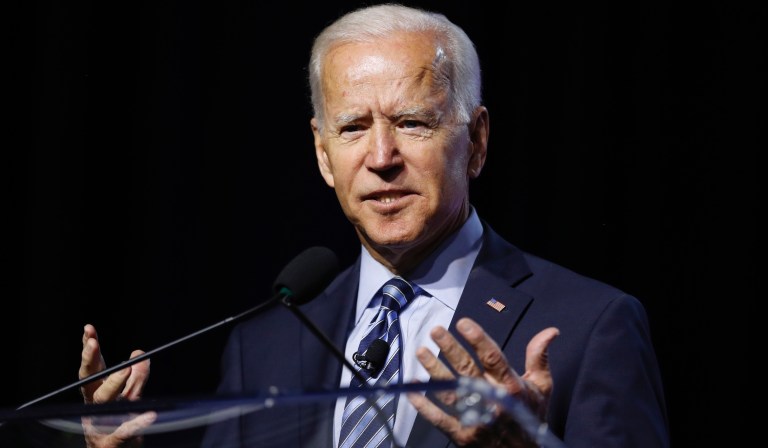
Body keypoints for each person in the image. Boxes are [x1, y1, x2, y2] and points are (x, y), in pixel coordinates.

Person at [79, 3, 669, 447]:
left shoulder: (590, 329)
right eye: (353, 127)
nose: (381, 156)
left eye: (412, 123)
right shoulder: (265, 348)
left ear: (477, 142)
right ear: (321, 153)